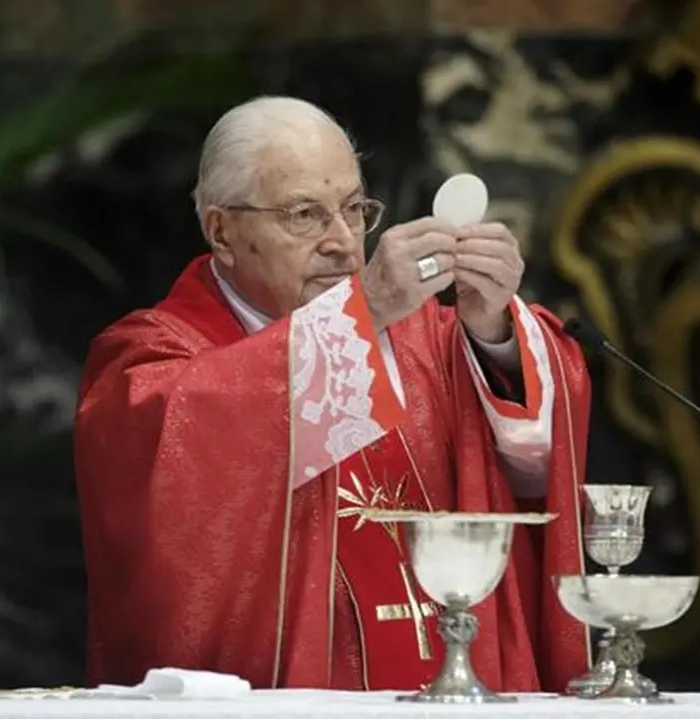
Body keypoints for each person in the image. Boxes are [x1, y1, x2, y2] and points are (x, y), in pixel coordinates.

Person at [74, 96, 592, 693]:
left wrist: (493, 331)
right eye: (304, 215)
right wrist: (363, 312)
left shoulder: (430, 338)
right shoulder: (147, 358)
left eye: (354, 209)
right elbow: (177, 456)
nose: (344, 242)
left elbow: (536, 464)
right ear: (221, 231)